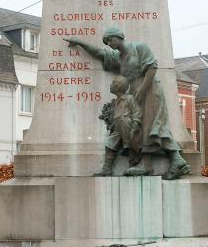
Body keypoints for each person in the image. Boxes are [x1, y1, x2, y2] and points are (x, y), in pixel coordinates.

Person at [64, 27, 190, 180]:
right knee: (142, 128)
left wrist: (142, 89)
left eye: (110, 39)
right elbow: (100, 53)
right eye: (107, 42)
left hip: (149, 89)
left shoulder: (139, 47)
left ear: (119, 36)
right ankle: (155, 163)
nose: (109, 43)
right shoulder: (118, 57)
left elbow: (152, 68)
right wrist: (79, 42)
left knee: (153, 125)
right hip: (135, 93)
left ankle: (173, 160)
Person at [97, 75, 144, 176]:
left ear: (118, 87)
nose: (111, 85)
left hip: (127, 126)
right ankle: (107, 168)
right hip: (118, 128)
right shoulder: (117, 100)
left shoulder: (129, 98)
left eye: (113, 83)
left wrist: (135, 125)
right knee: (110, 144)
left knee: (130, 145)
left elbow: (137, 112)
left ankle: (132, 166)